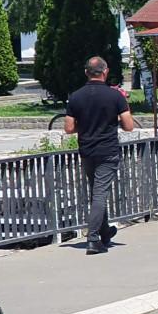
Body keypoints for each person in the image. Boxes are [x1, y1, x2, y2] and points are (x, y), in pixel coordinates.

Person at [64, 57, 136, 254]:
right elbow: (129, 126)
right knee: (100, 193)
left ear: (86, 72)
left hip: (86, 150)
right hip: (108, 150)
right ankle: (93, 239)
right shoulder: (115, 96)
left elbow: (69, 128)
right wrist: (113, 120)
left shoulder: (76, 97)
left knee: (96, 191)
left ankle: (105, 232)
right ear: (105, 72)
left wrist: (85, 125)